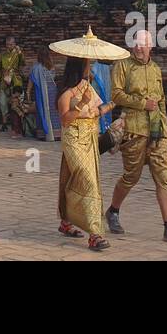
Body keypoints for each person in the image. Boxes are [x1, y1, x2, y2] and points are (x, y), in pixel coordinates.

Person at [106, 30, 167, 245]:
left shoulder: (155, 69)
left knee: (163, 178)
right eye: (135, 43)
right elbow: (116, 95)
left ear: (150, 46)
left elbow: (160, 101)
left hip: (157, 131)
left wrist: (165, 129)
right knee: (131, 177)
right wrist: (142, 103)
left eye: (142, 44)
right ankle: (113, 211)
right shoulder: (122, 65)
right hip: (133, 129)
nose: (138, 47)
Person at [56, 56, 117, 251]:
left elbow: (96, 111)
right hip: (73, 140)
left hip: (90, 139)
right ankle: (95, 235)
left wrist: (113, 105)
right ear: (78, 66)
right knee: (88, 181)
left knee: (71, 179)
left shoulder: (87, 86)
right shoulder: (66, 92)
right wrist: (81, 102)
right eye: (87, 64)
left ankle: (66, 221)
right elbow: (65, 119)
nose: (90, 67)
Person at [0, 35, 25, 133]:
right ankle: (4, 124)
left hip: (15, 82)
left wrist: (20, 53)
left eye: (11, 44)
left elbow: (23, 63)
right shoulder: (2, 55)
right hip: (4, 82)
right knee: (3, 103)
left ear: (14, 44)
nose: (9, 46)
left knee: (16, 104)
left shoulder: (18, 54)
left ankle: (18, 126)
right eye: (7, 44)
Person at [28, 46, 61, 141]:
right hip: (52, 92)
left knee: (42, 111)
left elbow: (31, 82)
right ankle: (56, 134)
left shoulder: (35, 67)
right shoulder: (51, 67)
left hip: (41, 93)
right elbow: (53, 79)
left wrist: (28, 93)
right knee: (53, 112)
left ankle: (43, 134)